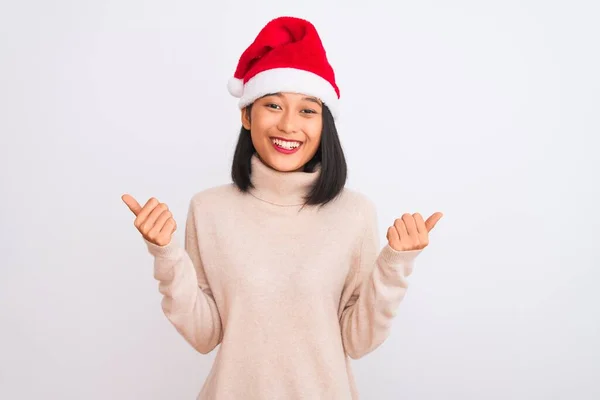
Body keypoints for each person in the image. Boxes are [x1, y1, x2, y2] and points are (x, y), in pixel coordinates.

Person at [122, 16, 442, 400]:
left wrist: (395, 264)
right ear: (246, 114)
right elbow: (205, 335)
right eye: (273, 105)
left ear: (325, 124)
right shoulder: (209, 209)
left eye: (308, 110)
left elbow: (357, 342)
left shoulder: (354, 213)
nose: (289, 125)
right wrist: (166, 255)